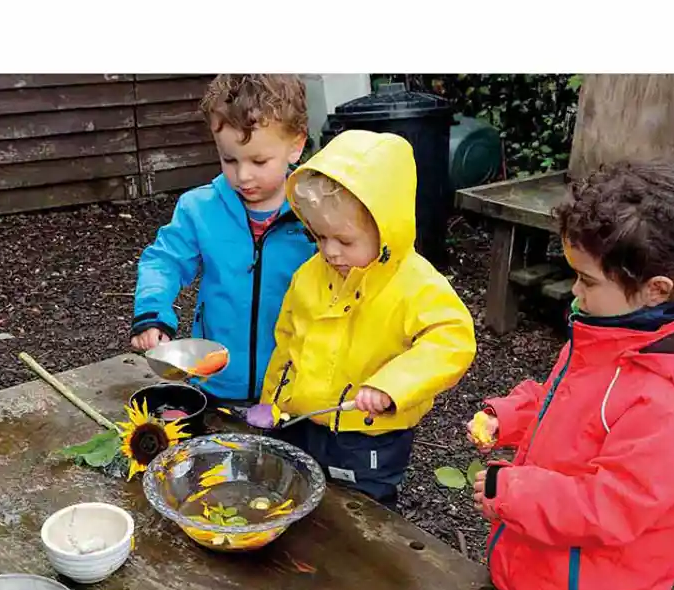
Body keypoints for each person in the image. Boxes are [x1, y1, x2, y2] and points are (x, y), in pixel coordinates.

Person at [468, 159, 674, 590]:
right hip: (541, 573)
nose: (575, 292)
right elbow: (565, 401)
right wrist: (507, 417)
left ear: (657, 288)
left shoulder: (669, 399)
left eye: (586, 280)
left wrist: (509, 492)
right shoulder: (613, 334)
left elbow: (613, 505)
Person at [260, 129, 477, 506]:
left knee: (364, 508)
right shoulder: (309, 276)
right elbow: (287, 343)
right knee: (299, 492)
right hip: (302, 419)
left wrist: (391, 386)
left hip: (368, 433)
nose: (330, 251)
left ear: (386, 229)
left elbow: (452, 340)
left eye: (344, 241)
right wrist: (272, 404)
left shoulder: (413, 283)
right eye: (319, 236)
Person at [130, 75, 316, 401]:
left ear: (296, 146)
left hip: (296, 389)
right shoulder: (199, 208)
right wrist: (152, 312)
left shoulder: (317, 213)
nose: (242, 175)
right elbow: (164, 261)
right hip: (217, 382)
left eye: (259, 161)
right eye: (229, 159)